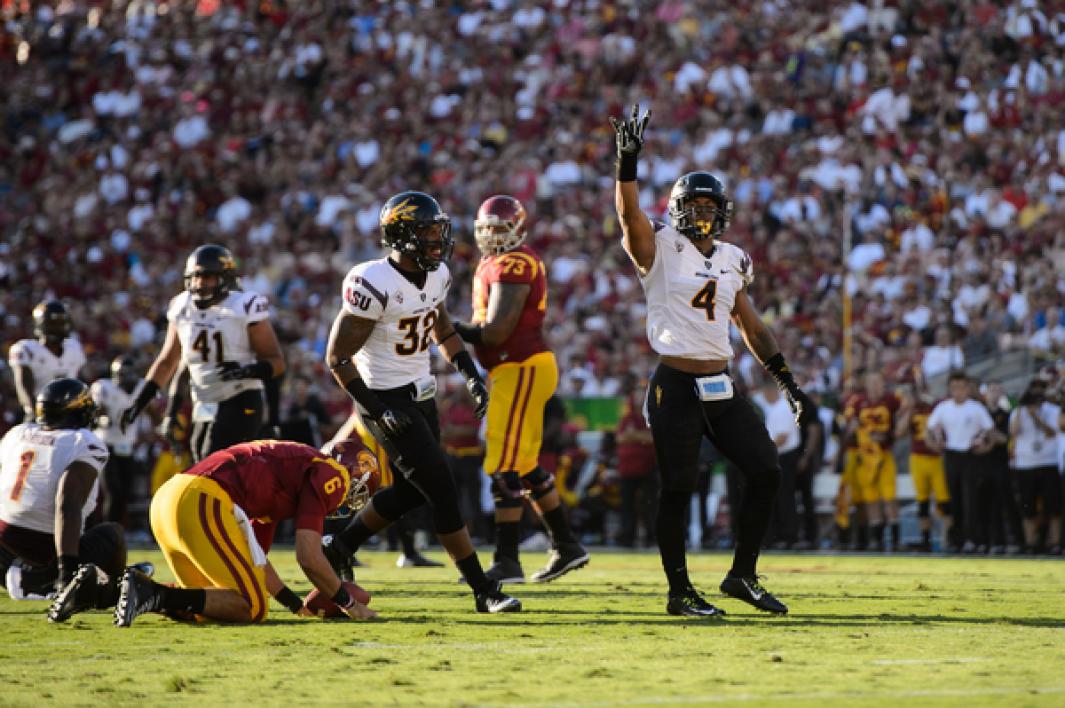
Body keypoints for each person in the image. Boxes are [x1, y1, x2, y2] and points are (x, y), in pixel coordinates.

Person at [611, 105, 813, 616]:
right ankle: (679, 592)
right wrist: (627, 166)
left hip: (720, 385)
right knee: (678, 488)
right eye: (694, 205)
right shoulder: (658, 245)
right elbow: (628, 216)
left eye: (710, 206)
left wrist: (786, 382)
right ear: (679, 209)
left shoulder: (733, 257)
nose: (702, 214)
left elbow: (751, 325)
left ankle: (741, 576)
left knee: (766, 470)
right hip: (674, 385)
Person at [321, 190, 520, 613]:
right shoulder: (373, 281)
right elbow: (336, 358)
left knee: (412, 492)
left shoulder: (437, 275)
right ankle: (483, 589)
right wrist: (375, 408)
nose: (437, 238)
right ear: (401, 235)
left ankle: (340, 546)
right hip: (383, 398)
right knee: (443, 491)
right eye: (427, 230)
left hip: (421, 394)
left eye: (437, 229)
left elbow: (441, 326)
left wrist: (469, 373)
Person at [452, 194, 588, 584]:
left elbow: (496, 330)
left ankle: (507, 560)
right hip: (514, 369)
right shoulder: (492, 263)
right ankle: (566, 545)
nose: (492, 236)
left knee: (502, 464)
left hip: (522, 366)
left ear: (517, 228)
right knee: (524, 465)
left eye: (499, 228)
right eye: (486, 229)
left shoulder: (517, 261)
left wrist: (448, 326)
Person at [107, 439, 378, 627]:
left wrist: (296, 606)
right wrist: (348, 603)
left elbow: (255, 559)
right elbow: (308, 556)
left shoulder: (290, 474)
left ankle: (105, 591)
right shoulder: (333, 473)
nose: (347, 499)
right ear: (353, 472)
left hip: (170, 500)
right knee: (251, 606)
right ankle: (152, 593)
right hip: (202, 499)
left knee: (215, 605)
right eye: (356, 492)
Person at [119, 245, 285, 462]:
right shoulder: (181, 306)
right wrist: (140, 402)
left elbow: (277, 362)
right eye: (195, 277)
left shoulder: (243, 306)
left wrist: (246, 371)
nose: (199, 283)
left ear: (225, 278)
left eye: (207, 277)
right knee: (199, 458)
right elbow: (169, 362)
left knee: (213, 463)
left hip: (239, 397)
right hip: (204, 401)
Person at [0, 378, 128, 623]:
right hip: (46, 548)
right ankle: (105, 591)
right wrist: (66, 571)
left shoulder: (18, 433)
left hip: (3, 548)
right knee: (113, 534)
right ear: (79, 411)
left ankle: (32, 578)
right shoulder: (83, 442)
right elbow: (67, 503)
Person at [327, 409, 444, 569]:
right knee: (384, 500)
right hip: (368, 452)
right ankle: (340, 548)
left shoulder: (361, 410)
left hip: (367, 448)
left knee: (393, 501)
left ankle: (408, 553)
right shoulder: (368, 407)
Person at [925, 371, 996, 552]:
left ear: (968, 388)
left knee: (970, 499)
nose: (958, 391)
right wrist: (934, 444)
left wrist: (986, 447)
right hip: (951, 454)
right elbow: (929, 428)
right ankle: (956, 538)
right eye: (955, 387)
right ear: (950, 389)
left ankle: (972, 538)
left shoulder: (976, 408)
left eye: (962, 387)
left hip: (970, 455)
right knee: (953, 498)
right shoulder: (943, 408)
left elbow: (990, 431)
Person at [90, 356, 150, 529]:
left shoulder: (141, 388)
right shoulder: (103, 387)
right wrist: (101, 418)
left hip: (127, 446)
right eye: (121, 374)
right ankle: (107, 530)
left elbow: (152, 411)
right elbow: (96, 411)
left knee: (125, 493)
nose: (124, 379)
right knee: (113, 491)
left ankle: (113, 530)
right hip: (105, 446)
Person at [846, 370, 901, 551]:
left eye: (878, 382)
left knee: (889, 496)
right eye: (871, 382)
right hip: (866, 455)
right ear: (866, 384)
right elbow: (849, 424)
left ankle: (894, 540)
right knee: (871, 498)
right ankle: (876, 540)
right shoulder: (858, 401)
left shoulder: (892, 400)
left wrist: (891, 434)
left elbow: (905, 414)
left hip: (884, 454)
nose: (875, 386)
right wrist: (853, 427)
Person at [895, 378, 951, 552]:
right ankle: (926, 540)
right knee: (923, 502)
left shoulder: (939, 406)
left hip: (937, 457)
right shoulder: (912, 409)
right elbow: (900, 432)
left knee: (944, 502)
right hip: (918, 457)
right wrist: (910, 410)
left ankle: (948, 539)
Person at [1009, 379, 1065, 554]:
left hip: (1048, 463)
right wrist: (1020, 408)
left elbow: (1052, 432)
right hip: (1025, 464)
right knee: (1028, 507)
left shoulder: (1052, 410)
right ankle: (1030, 542)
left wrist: (1036, 417)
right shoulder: (1019, 412)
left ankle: (1054, 542)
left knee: (1054, 507)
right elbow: (1014, 432)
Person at [8, 301, 87, 422]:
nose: (56, 328)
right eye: (51, 324)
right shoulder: (27, 350)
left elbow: (79, 383)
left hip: (68, 416)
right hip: (39, 415)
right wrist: (34, 411)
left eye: (58, 324)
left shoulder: (73, 348)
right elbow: (23, 386)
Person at [757, 380, 802, 549]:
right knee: (779, 498)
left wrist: (764, 452)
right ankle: (780, 535)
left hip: (785, 457)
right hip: (779, 456)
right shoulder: (776, 408)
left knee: (785, 498)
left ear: (770, 392)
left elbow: (782, 438)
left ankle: (789, 536)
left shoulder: (782, 408)